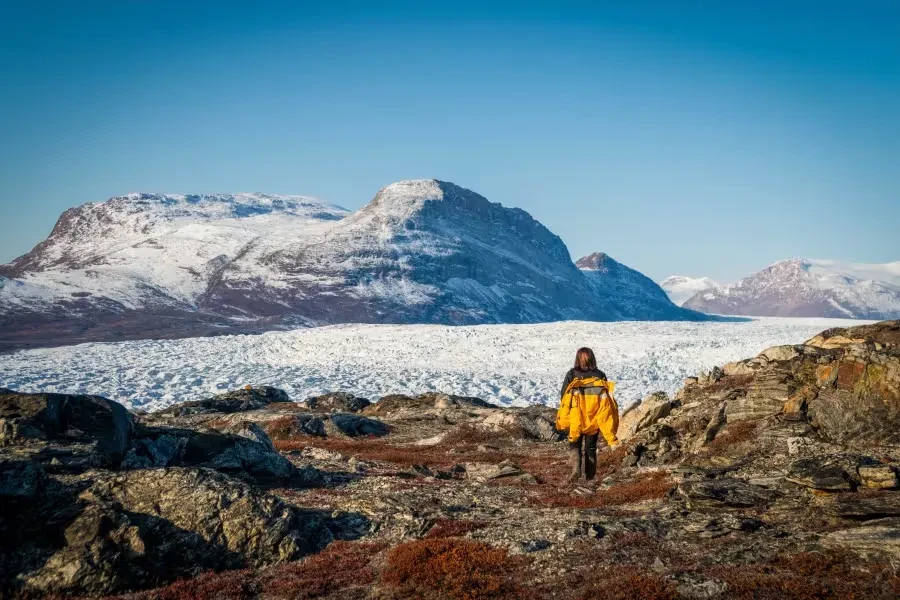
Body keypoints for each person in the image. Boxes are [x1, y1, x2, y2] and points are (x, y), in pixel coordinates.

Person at [556, 347, 620, 483]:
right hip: (594, 419)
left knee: (574, 445)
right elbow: (606, 400)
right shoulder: (600, 375)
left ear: (577, 358)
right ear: (592, 358)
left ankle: (576, 470)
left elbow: (564, 397)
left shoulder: (572, 374)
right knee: (590, 448)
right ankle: (590, 478)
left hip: (575, 418)